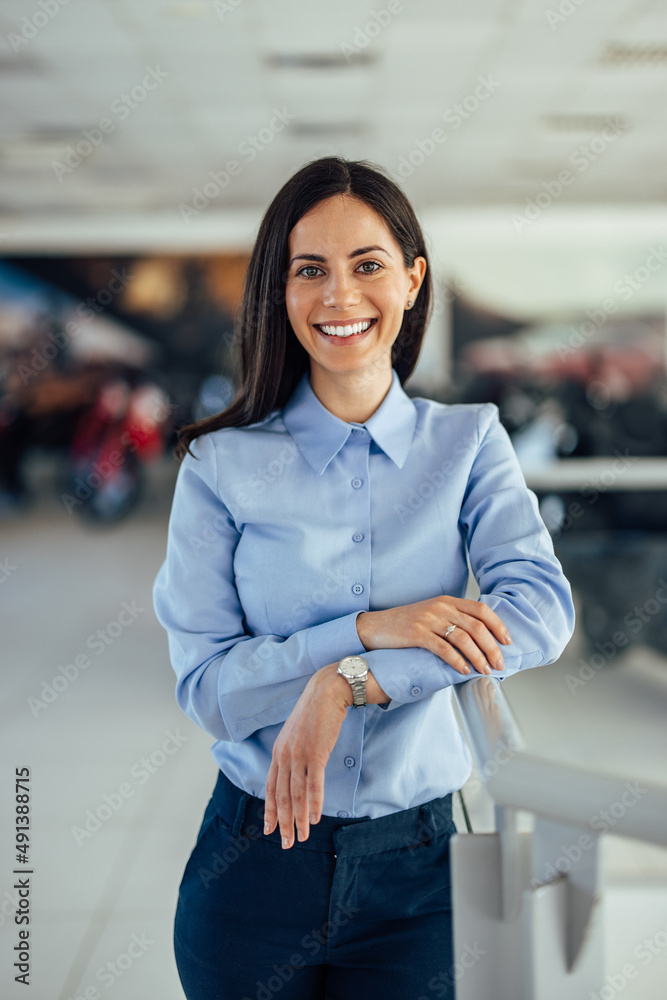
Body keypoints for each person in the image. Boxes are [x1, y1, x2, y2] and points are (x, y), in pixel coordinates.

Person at [152, 155, 575, 1000]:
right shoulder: (221, 466)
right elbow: (209, 689)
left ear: (413, 281)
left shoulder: (467, 445)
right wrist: (360, 634)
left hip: (419, 875)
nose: (339, 296)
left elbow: (535, 613)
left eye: (368, 265)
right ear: (281, 292)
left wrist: (352, 681)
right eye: (309, 271)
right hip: (253, 865)